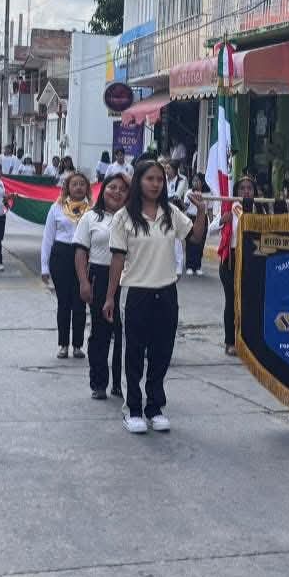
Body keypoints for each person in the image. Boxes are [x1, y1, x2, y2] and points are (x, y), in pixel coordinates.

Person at [104, 160, 207, 434]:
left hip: (166, 291)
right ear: (139, 181)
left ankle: (155, 407)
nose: (155, 184)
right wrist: (110, 297)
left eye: (160, 180)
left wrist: (202, 213)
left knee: (162, 352)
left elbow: (195, 237)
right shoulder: (123, 217)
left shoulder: (171, 213)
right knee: (134, 352)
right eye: (150, 179)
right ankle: (133, 409)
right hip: (136, 292)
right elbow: (117, 259)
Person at [75, 173, 129, 400]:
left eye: (122, 189)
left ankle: (120, 383)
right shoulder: (90, 218)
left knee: (124, 333)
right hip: (99, 276)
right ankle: (99, 382)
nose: (117, 192)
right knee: (100, 333)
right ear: (102, 190)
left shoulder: (132, 218)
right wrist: (84, 282)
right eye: (112, 187)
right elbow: (80, 252)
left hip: (128, 279)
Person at [41, 171, 91, 358]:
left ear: (87, 188)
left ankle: (78, 345)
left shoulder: (92, 210)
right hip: (61, 256)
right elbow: (48, 237)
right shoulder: (57, 207)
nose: (78, 187)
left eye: (82, 184)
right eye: (74, 184)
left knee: (80, 302)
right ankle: (63, 344)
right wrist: (44, 267)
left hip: (83, 256)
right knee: (64, 303)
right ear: (67, 188)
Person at [217, 175, 262, 356]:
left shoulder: (259, 209)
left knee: (250, 302)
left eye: (249, 188)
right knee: (232, 301)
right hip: (231, 259)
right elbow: (212, 227)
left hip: (253, 259)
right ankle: (230, 341)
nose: (246, 191)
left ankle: (248, 342)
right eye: (242, 188)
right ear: (236, 191)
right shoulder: (230, 207)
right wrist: (223, 220)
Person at [182, 172, 209, 275]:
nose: (195, 182)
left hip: (203, 218)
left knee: (200, 244)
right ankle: (189, 265)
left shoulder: (207, 194)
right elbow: (185, 206)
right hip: (191, 217)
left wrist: (210, 224)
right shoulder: (189, 192)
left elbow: (209, 210)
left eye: (197, 180)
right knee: (190, 243)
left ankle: (198, 265)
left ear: (202, 182)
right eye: (193, 180)